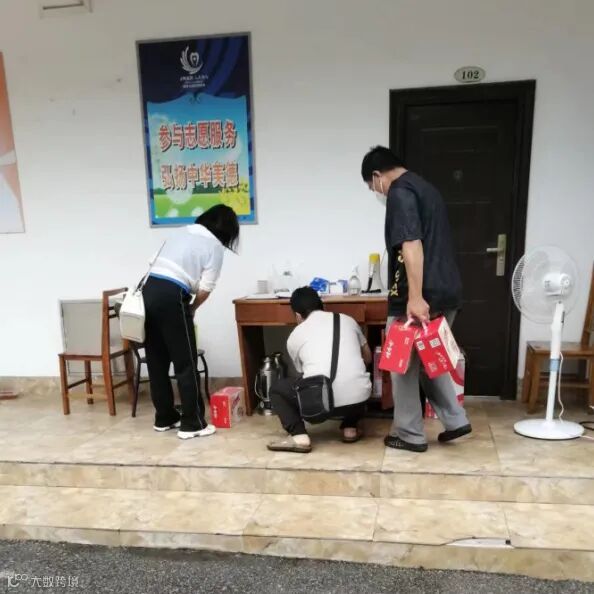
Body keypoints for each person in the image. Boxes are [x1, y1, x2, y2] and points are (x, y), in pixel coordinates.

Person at [361, 146, 471, 452]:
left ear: (377, 175)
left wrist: (416, 297)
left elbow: (411, 243)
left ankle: (409, 435)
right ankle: (455, 420)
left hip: (422, 296)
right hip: (447, 290)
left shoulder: (400, 192)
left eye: (372, 187)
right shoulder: (427, 189)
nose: (377, 192)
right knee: (427, 359)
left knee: (401, 365)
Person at [142, 205, 239, 440]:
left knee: (157, 361)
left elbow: (152, 261)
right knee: (185, 362)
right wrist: (191, 309)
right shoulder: (215, 246)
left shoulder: (181, 231)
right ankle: (192, 423)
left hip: (148, 290)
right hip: (172, 295)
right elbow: (206, 287)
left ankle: (164, 417)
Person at [267, 287, 372, 453]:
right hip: (358, 401)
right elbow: (368, 358)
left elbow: (303, 375)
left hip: (319, 407)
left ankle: (299, 436)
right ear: (322, 305)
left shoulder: (295, 335)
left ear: (297, 315)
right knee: (357, 380)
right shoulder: (348, 320)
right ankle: (350, 428)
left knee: (277, 389)